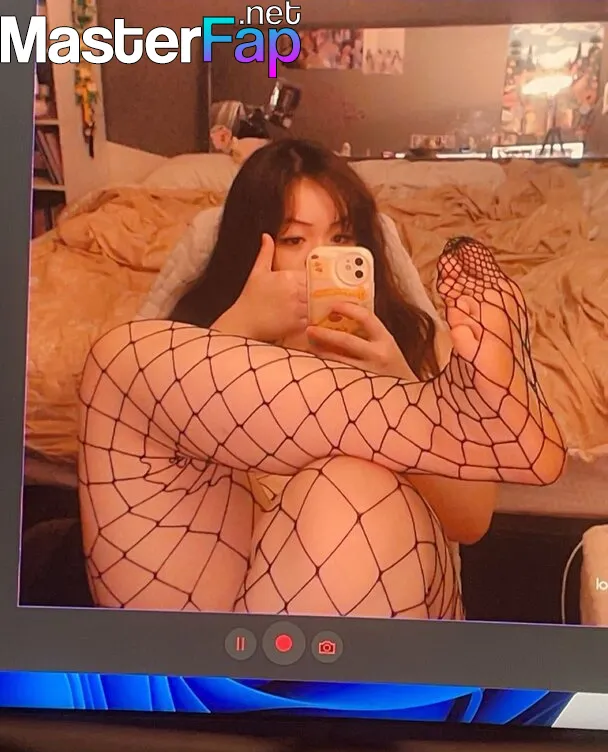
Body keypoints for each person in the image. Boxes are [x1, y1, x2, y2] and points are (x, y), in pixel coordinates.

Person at [77, 139, 565, 619]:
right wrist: (239, 328)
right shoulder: (192, 343)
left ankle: (433, 415)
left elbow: (472, 521)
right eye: (294, 239)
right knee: (119, 361)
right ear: (250, 250)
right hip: (226, 599)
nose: (323, 259)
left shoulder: (414, 342)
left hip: (376, 599)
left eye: (342, 238)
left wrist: (397, 382)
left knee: (347, 488)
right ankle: (461, 416)